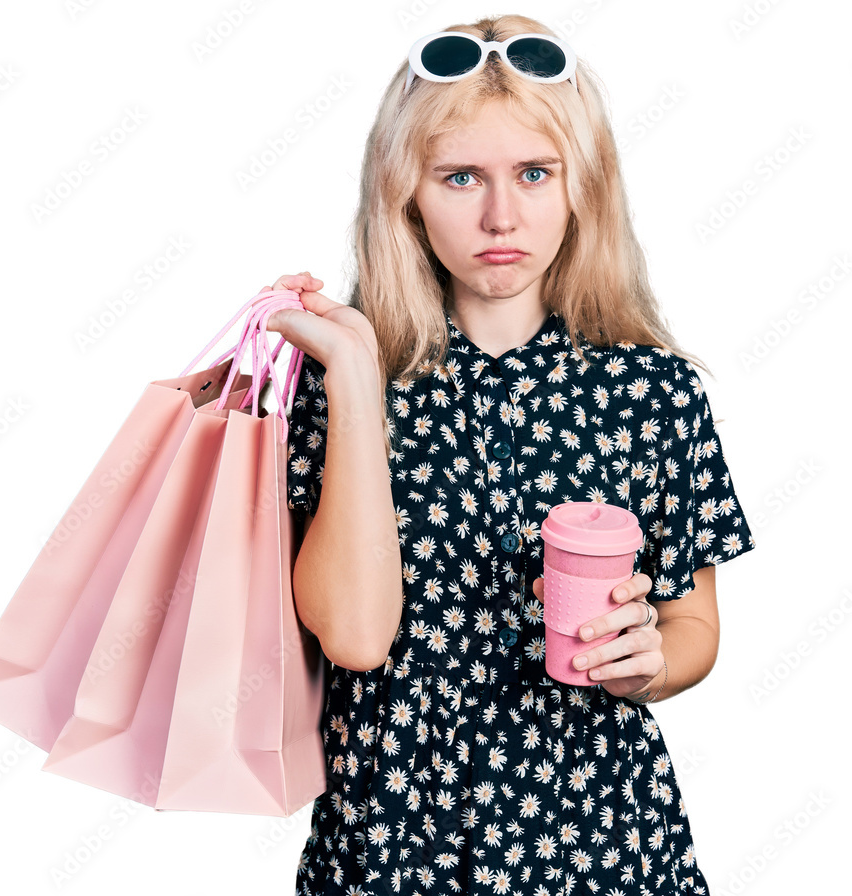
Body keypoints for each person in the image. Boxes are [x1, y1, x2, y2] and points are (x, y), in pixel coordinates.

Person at [265, 13, 755, 894]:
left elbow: (693, 627)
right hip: (391, 845)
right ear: (404, 191)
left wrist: (650, 662)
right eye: (460, 177)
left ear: (583, 186)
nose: (502, 214)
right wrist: (354, 380)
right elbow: (354, 636)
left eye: (535, 173)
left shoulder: (653, 391)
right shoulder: (339, 378)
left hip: (602, 845)